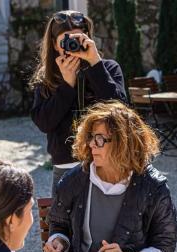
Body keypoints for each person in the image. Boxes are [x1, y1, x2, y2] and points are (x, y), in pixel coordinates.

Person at [43, 101, 177, 252]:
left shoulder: (153, 186)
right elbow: (59, 224)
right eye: (91, 137)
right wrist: (58, 241)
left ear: (124, 144)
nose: (91, 144)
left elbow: (164, 247)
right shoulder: (73, 180)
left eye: (99, 139)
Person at [29, 10, 127, 193]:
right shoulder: (47, 78)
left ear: (88, 39)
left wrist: (95, 64)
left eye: (78, 39)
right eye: (66, 41)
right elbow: (44, 123)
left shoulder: (108, 69)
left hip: (109, 164)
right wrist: (67, 85)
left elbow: (121, 110)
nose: (73, 45)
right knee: (65, 222)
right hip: (66, 167)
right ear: (55, 45)